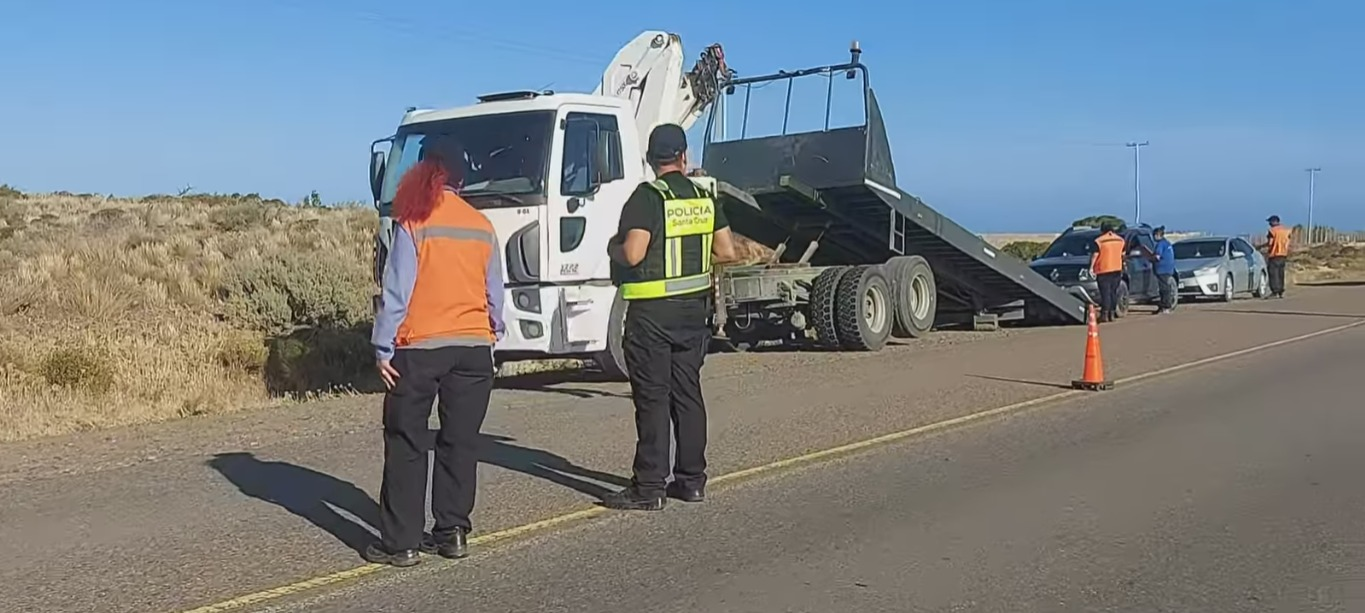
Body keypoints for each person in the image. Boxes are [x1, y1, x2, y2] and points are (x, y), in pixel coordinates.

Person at [365, 138, 505, 567]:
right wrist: (491, 333)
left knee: (407, 440)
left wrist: (382, 347)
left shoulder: (414, 221)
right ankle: (453, 532)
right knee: (460, 441)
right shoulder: (481, 225)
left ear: (427, 172)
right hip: (473, 349)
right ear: (462, 178)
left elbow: (397, 293)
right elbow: (496, 295)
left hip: (420, 348)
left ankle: (402, 543)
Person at [602, 123, 736, 511]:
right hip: (694, 313)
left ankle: (649, 487)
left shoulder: (645, 198)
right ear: (684, 156)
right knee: (688, 394)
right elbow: (727, 251)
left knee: (653, 399)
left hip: (651, 316)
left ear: (649, 159)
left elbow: (633, 254)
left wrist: (612, 248)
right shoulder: (703, 197)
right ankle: (692, 481)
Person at [1090, 222, 1126, 322]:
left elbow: (1095, 255)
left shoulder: (1099, 241)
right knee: (1113, 292)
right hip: (1117, 269)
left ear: (1102, 230)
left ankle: (1105, 314)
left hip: (1103, 269)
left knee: (1105, 293)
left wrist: (1091, 268)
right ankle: (1112, 313)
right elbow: (1123, 255)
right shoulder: (1120, 240)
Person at [1151, 226, 1178, 313]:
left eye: (1154, 235)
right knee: (1166, 287)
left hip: (1162, 269)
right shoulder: (1167, 243)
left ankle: (1166, 305)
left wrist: (1150, 258)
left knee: (1164, 289)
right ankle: (1165, 305)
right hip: (1169, 269)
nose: (1153, 237)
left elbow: (1157, 257)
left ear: (1158, 235)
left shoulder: (1160, 244)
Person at [1265, 215, 1291, 299]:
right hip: (1283, 254)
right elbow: (1288, 242)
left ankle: (1275, 291)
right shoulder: (1286, 230)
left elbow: (1270, 243)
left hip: (1274, 254)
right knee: (1281, 274)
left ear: (1273, 222)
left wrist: (1265, 248)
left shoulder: (1272, 231)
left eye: (1270, 222)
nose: (1269, 224)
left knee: (1273, 274)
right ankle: (1280, 291)